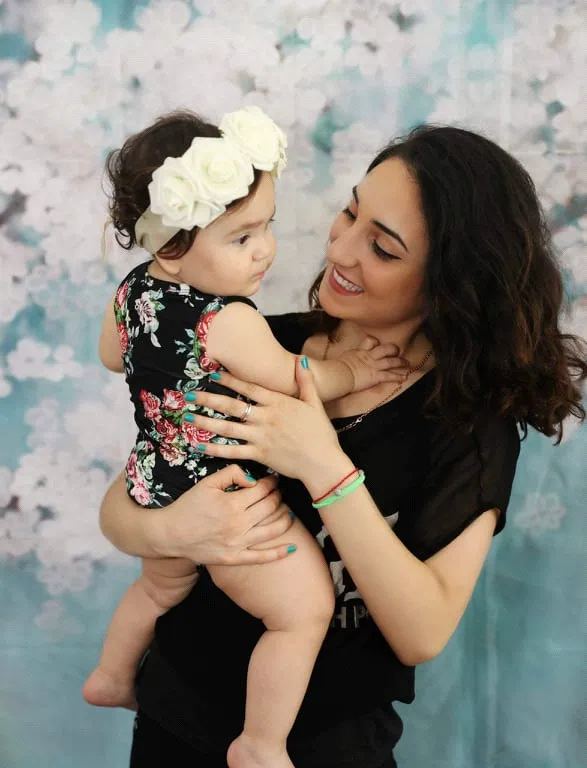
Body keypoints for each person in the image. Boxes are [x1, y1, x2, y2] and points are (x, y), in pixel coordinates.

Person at [97, 124, 587, 768]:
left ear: (448, 283)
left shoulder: (467, 427)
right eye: (350, 212)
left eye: (382, 247)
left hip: (327, 749)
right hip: (173, 718)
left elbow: (421, 633)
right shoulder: (259, 343)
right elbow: (128, 501)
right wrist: (174, 532)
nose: (340, 248)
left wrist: (321, 463)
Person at [83, 106, 406, 768]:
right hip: (226, 495)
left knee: (157, 589)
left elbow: (112, 357)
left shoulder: (132, 291)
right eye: (240, 237)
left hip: (154, 478)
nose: (264, 249)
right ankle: (259, 743)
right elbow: (296, 378)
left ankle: (112, 676)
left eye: (266, 226)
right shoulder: (226, 320)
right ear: (170, 246)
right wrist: (352, 370)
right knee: (302, 611)